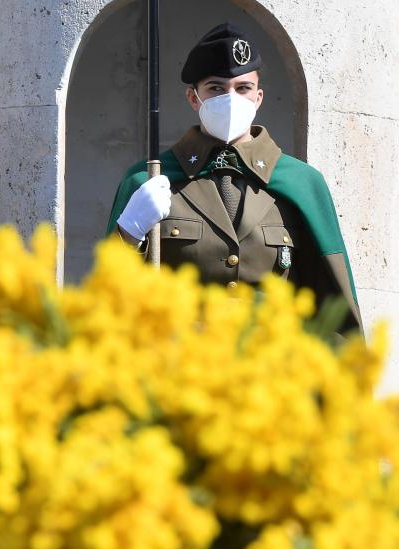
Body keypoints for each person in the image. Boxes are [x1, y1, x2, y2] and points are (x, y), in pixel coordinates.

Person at [106, 22, 361, 332]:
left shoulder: (302, 184)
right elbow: (107, 301)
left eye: (242, 88)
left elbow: (335, 315)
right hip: (180, 370)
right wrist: (128, 235)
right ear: (193, 98)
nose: (230, 98)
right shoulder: (149, 180)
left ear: (258, 97)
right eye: (215, 88)